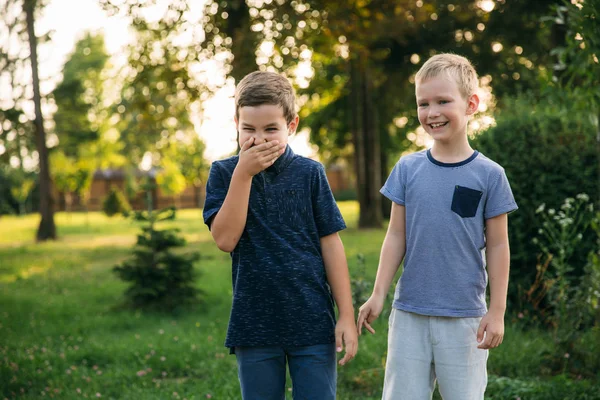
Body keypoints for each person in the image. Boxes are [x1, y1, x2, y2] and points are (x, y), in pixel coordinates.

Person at [356, 53, 518, 400]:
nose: (432, 113)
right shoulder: (407, 169)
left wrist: (498, 310)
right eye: (423, 103)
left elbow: (500, 245)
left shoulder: (490, 175)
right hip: (409, 313)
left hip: (464, 319)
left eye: (443, 101)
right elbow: (396, 235)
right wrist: (379, 292)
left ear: (471, 104)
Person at [203, 71, 357, 400]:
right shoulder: (224, 173)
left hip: (313, 320)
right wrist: (243, 174)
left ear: (292, 125)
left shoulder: (310, 173)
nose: (259, 139)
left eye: (271, 129)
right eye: (249, 129)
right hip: (254, 324)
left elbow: (331, 245)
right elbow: (225, 240)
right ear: (236, 125)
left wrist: (346, 315)